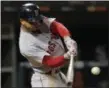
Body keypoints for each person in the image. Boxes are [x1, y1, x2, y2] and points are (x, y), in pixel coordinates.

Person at [19, 2, 77, 87]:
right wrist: (67, 56)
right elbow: (50, 62)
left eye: (39, 20)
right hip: (45, 78)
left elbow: (56, 25)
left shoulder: (38, 20)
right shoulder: (26, 45)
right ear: (24, 22)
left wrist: (67, 38)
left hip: (57, 74)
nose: (38, 23)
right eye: (35, 22)